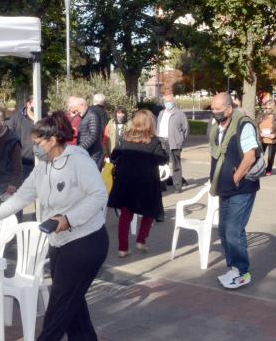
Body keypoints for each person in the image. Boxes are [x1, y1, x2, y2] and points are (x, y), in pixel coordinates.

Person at [0, 111, 109, 341]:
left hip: (87, 241)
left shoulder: (78, 161)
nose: (34, 147)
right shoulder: (43, 168)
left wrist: (66, 219)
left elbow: (98, 196)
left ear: (53, 139)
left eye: (38, 142)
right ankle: (84, 339)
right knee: (70, 293)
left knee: (61, 298)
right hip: (60, 241)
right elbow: (21, 198)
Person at [209, 93, 261, 289]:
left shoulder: (243, 125)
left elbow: (250, 157)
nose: (215, 112)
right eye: (212, 108)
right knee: (223, 230)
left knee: (233, 229)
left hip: (242, 187)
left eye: (218, 108)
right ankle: (233, 268)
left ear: (229, 108)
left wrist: (235, 178)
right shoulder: (217, 127)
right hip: (224, 188)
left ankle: (242, 270)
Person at [107, 110, 168, 257]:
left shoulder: (125, 138)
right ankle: (141, 240)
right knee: (150, 211)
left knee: (125, 215)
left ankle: (123, 248)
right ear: (150, 124)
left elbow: (114, 156)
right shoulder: (154, 141)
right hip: (146, 183)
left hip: (126, 182)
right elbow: (162, 159)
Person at [156, 94, 190, 192]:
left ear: (173, 102)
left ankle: (177, 186)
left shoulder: (180, 114)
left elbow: (186, 129)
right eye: (166, 102)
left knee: (176, 165)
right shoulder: (161, 113)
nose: (167, 103)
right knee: (162, 165)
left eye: (169, 101)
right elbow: (158, 127)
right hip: (162, 141)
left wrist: (180, 141)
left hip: (174, 143)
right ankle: (162, 185)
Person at [67, 96, 104, 169]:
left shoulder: (92, 115)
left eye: (77, 110)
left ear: (82, 105)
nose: (76, 113)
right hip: (86, 153)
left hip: (93, 154)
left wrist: (80, 148)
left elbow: (93, 135)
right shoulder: (85, 116)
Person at [8, 96, 36, 180]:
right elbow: (9, 138)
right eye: (36, 102)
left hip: (42, 162)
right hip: (24, 163)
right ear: (28, 104)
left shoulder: (44, 118)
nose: (39, 105)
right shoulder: (16, 119)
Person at [257, 101, 276, 176]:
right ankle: (259, 169)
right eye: (266, 108)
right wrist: (259, 133)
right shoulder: (261, 116)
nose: (267, 109)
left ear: (273, 109)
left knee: (271, 156)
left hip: (272, 140)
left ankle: (268, 169)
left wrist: (274, 135)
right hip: (262, 139)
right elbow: (255, 126)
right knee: (260, 155)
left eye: (269, 108)